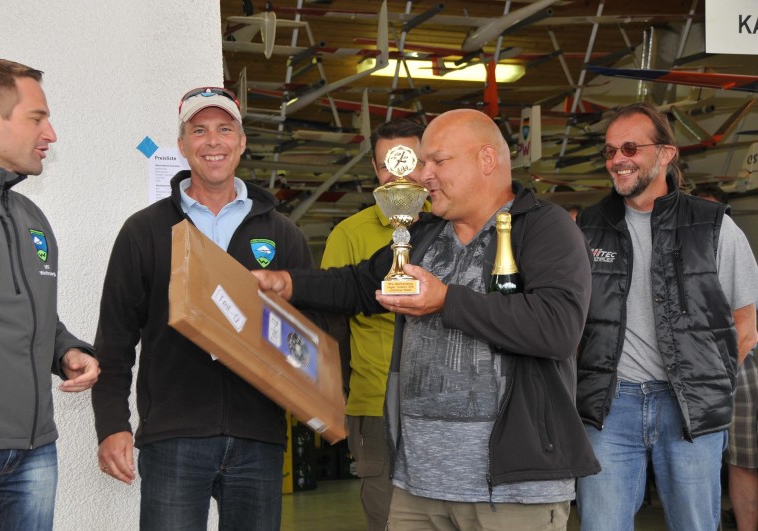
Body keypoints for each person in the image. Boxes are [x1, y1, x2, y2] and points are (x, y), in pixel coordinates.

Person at [254, 108, 600, 530]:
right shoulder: (425, 234)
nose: (423, 175)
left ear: (486, 160)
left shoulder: (545, 227)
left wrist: (446, 301)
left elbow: (557, 327)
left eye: (438, 161)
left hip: (512, 490)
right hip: (416, 487)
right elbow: (358, 284)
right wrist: (286, 283)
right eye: (422, 162)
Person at [91, 87, 315, 530]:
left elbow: (308, 334)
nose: (213, 141)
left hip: (258, 437)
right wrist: (112, 424)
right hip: (174, 437)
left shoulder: (283, 233)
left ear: (242, 142)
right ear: (182, 145)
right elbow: (114, 339)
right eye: (199, 130)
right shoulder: (144, 230)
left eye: (224, 129)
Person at [575, 101, 758, 531]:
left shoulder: (713, 225)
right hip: (609, 407)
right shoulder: (588, 226)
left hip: (690, 409)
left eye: (630, 148)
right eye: (610, 150)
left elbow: (746, 325)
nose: (617, 159)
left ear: (666, 153)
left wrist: (707, 385)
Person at [0, 58, 99, 531]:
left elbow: (30, 310)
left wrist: (67, 351)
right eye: (37, 118)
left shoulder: (29, 215)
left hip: (33, 451)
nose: (50, 134)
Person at [320, 119, 428, 531]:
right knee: (386, 520)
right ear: (374, 169)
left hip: (449, 406)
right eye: (387, 165)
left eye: (409, 162)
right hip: (374, 406)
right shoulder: (348, 235)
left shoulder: (454, 225)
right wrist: (334, 399)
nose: (398, 175)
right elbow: (330, 329)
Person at [691, 183, 758, 531]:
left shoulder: (734, 246)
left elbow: (747, 328)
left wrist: (719, 378)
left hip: (738, 364)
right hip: (691, 371)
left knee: (744, 458)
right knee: (699, 463)